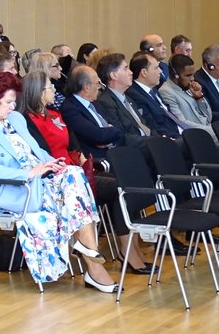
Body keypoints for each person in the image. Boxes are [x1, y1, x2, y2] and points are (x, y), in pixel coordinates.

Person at [0, 71, 117, 292]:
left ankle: (87, 249)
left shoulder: (16, 119)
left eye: (13, 102)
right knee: (73, 186)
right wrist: (29, 173)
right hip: (15, 188)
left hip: (42, 180)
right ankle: (91, 260)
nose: (12, 107)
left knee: (73, 172)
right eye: (8, 102)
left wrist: (52, 163)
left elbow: (37, 151)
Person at [21, 70, 151, 274]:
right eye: (49, 86)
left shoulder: (56, 115)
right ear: (37, 92)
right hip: (55, 178)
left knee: (127, 183)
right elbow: (39, 153)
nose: (54, 89)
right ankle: (126, 250)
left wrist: (82, 162)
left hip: (76, 172)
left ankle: (131, 247)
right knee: (119, 188)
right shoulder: (27, 120)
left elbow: (73, 145)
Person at [58, 64, 125, 159]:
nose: (100, 87)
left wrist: (110, 139)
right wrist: (111, 132)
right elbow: (98, 136)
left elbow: (119, 127)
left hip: (114, 151)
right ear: (86, 87)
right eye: (97, 83)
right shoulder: (70, 109)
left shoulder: (95, 103)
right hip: (98, 159)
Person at [92, 53, 149, 145]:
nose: (131, 72)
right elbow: (121, 136)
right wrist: (152, 141)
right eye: (125, 68)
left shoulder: (128, 98)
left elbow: (145, 126)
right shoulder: (105, 102)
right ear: (114, 75)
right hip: (136, 150)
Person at [124, 52, 182, 138]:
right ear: (144, 72)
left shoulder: (153, 89)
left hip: (179, 130)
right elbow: (151, 126)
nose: (160, 71)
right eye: (156, 68)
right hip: (169, 138)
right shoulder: (134, 95)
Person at [159, 55, 216, 138]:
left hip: (208, 129)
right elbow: (181, 122)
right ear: (175, 75)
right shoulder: (166, 91)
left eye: (193, 74)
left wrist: (199, 98)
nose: (192, 78)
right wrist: (210, 131)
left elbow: (208, 118)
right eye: (188, 75)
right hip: (196, 135)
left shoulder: (189, 87)